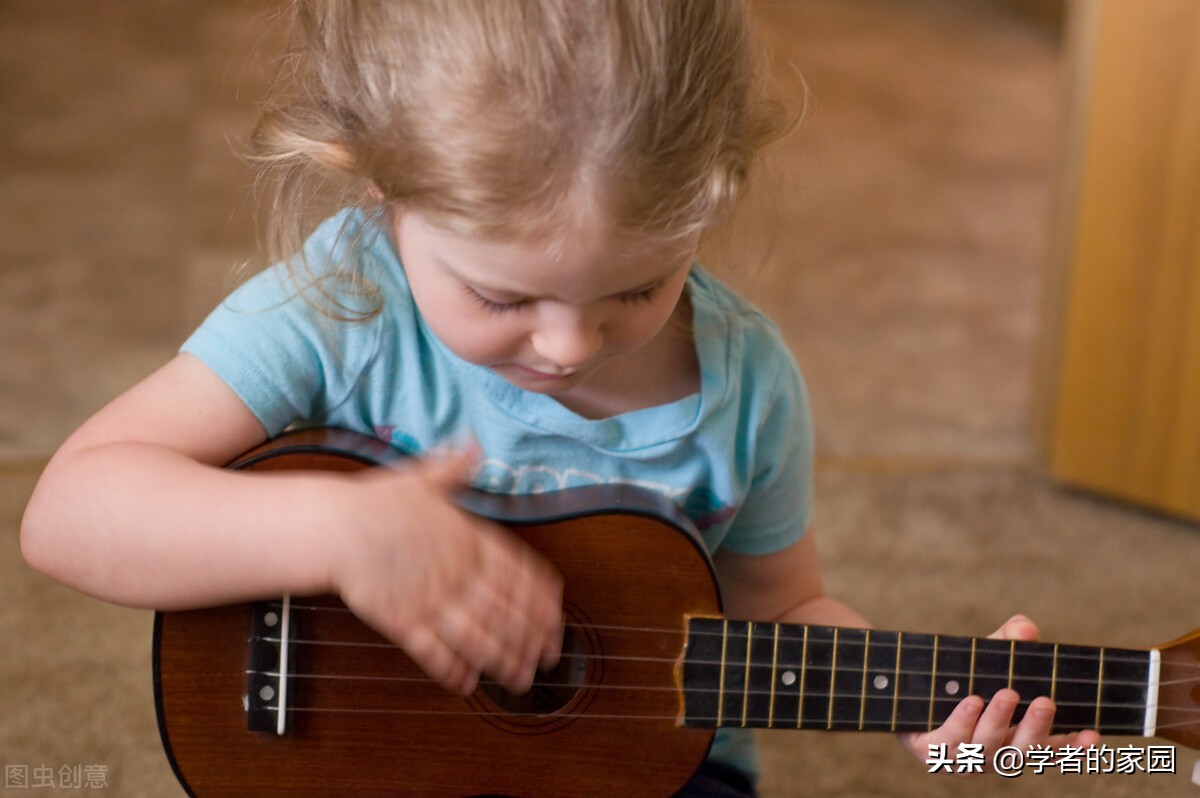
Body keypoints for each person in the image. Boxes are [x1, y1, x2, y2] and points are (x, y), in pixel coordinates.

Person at [20, 2, 1098, 795]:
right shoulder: (338, 309)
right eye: (501, 294)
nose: (570, 344)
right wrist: (335, 529)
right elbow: (70, 513)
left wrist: (933, 707)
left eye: (638, 287)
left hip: (650, 776)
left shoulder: (746, 383)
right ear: (378, 188)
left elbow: (781, 610)